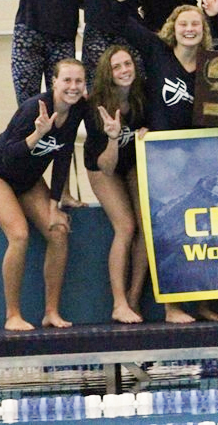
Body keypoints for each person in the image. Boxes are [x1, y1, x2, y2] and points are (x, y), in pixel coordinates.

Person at [114, 0, 218, 322]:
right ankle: (160, 304)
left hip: (193, 161)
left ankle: (199, 302)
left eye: (196, 23)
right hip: (157, 158)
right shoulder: (158, 53)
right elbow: (121, 19)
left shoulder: (212, 64)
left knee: (198, 236)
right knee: (160, 232)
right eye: (184, 22)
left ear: (204, 29)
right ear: (174, 26)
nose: (190, 28)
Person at [0, 59, 87, 330]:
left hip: (28, 180)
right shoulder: (32, 110)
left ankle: (51, 311)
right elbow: (8, 156)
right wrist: (38, 133)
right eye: (67, 81)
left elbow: (64, 156)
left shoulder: (77, 109)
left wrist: (53, 205)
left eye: (78, 81)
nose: (72, 87)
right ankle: (12, 314)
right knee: (19, 234)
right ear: (54, 82)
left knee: (58, 231)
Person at [84, 46, 149, 323]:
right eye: (117, 67)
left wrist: (147, 133)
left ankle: (134, 298)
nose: (124, 70)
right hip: (103, 165)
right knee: (125, 227)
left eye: (127, 64)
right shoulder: (96, 106)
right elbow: (107, 166)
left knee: (146, 227)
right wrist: (113, 137)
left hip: (132, 164)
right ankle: (118, 303)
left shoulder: (141, 95)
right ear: (107, 75)